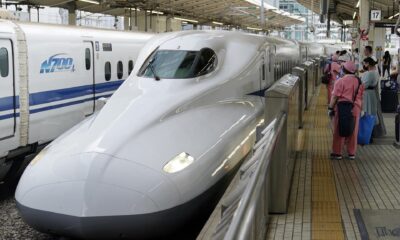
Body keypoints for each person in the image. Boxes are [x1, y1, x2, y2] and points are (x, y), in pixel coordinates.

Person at [328, 61, 364, 160]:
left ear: (344, 70)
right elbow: (361, 97)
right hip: (355, 109)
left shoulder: (340, 81)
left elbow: (335, 97)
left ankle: (337, 152)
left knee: (339, 129)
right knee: (353, 130)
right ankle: (351, 153)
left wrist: (330, 108)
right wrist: (362, 109)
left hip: (342, 108)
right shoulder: (359, 81)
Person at [361, 57, 380, 142]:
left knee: (366, 113)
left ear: (368, 63)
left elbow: (364, 85)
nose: (364, 65)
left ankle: (367, 135)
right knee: (372, 114)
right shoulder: (376, 72)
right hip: (372, 94)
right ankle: (371, 134)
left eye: (364, 63)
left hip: (367, 94)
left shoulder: (369, 73)